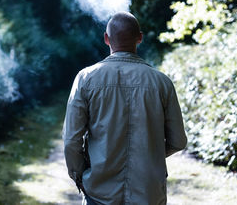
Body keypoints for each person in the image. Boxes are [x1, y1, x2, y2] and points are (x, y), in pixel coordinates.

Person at [63, 12, 187, 205]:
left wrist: (81, 175)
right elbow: (178, 141)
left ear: (106, 39)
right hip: (149, 193)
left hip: (99, 194)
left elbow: (71, 140)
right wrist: (148, 154)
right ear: (140, 38)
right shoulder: (162, 83)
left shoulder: (85, 79)